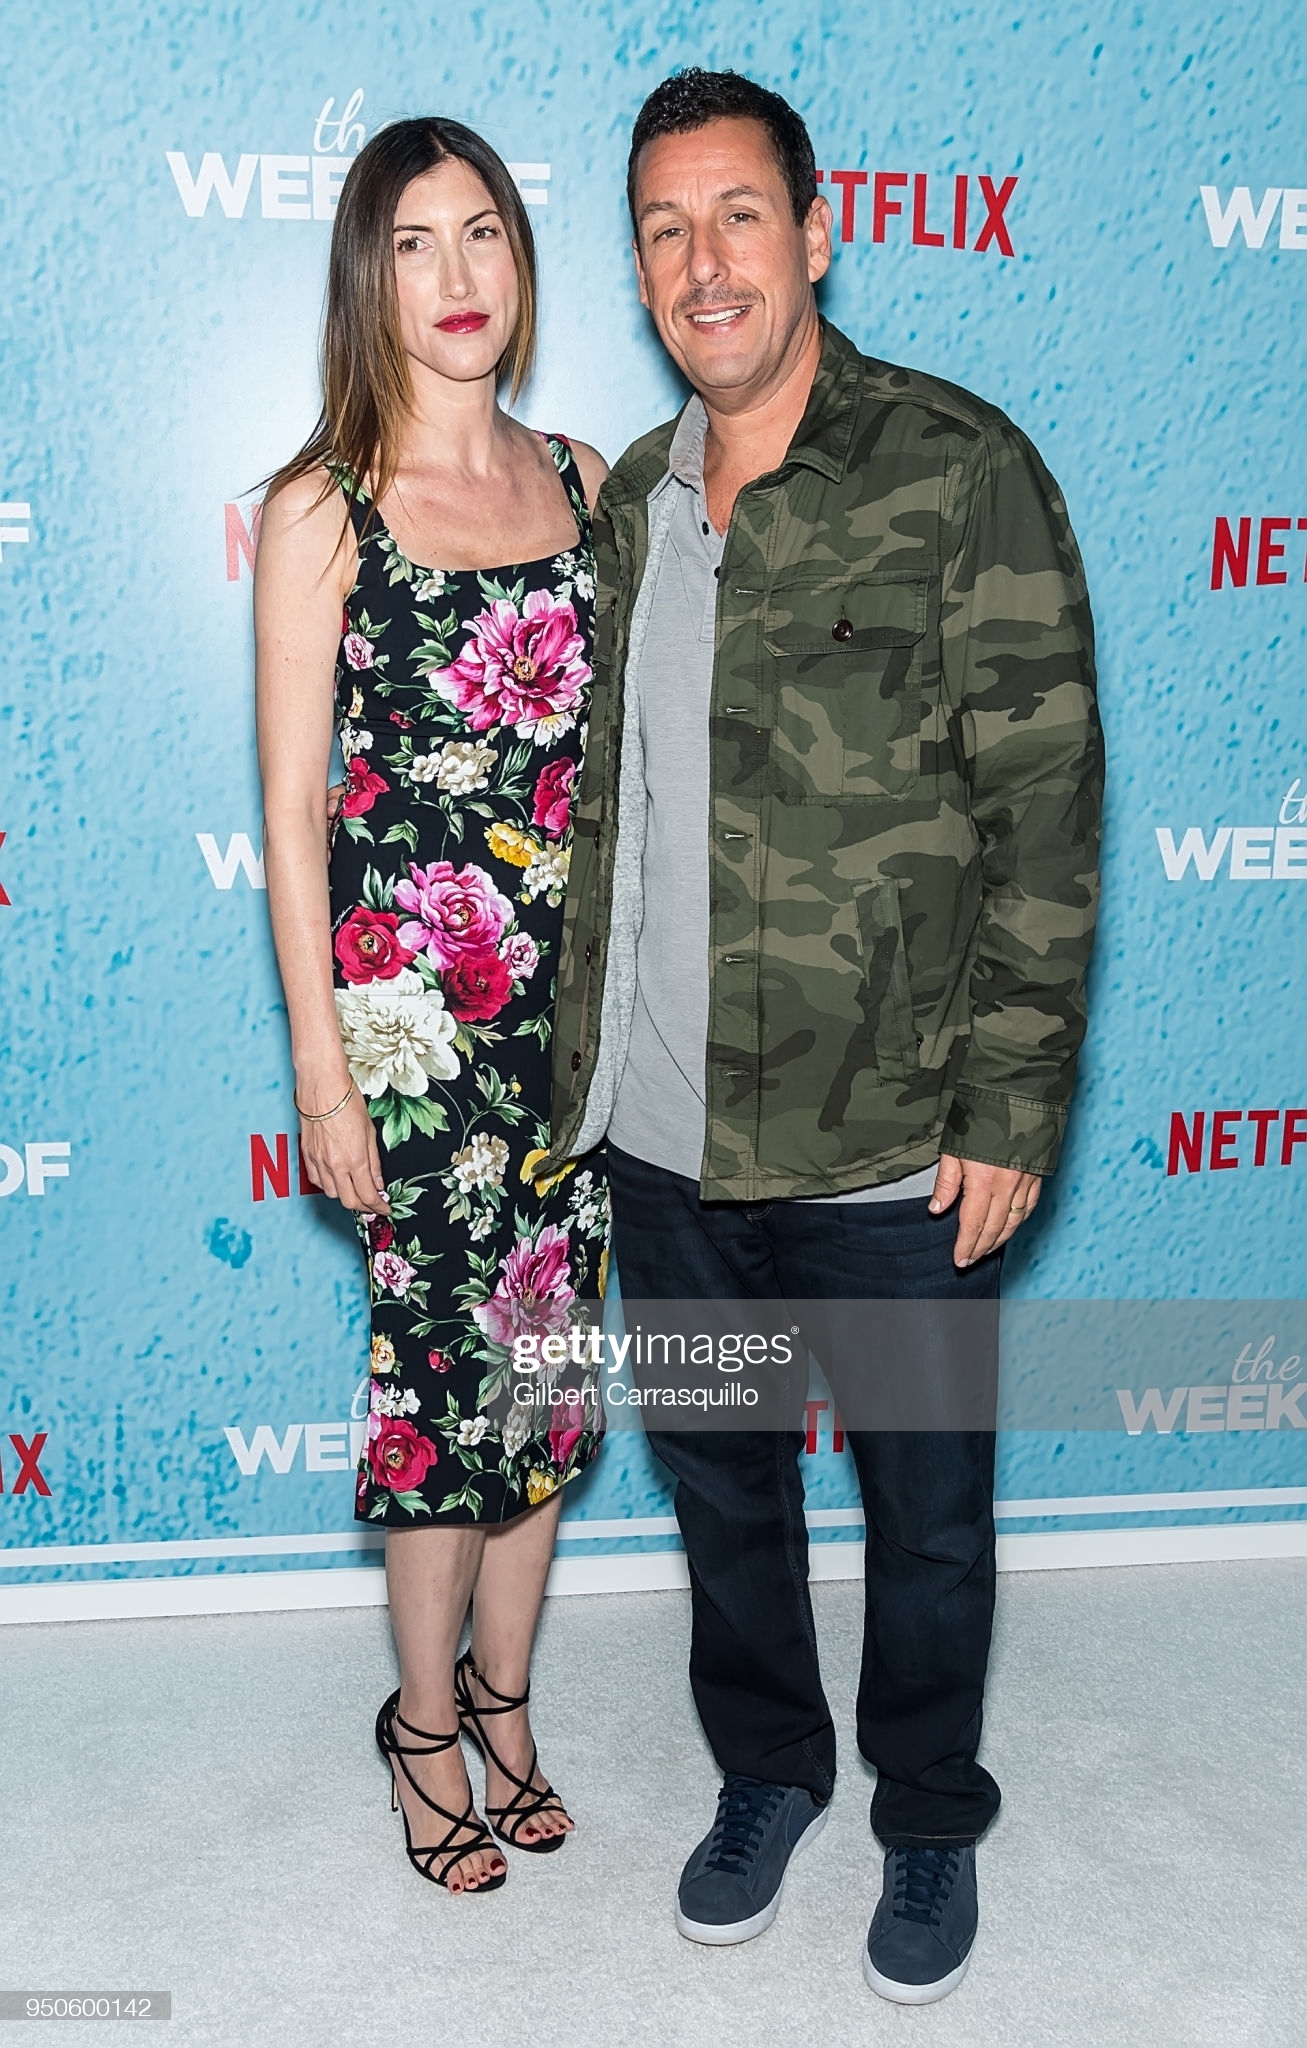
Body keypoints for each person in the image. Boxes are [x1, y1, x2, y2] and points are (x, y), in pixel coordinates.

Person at [544, 70, 1102, 2003]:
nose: (704, 261)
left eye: (739, 216)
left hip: (891, 1141)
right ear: (639, 265)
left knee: (929, 1519)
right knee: (723, 1491)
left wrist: (1012, 1098)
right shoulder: (629, 501)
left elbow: (1046, 809)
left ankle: (929, 1816)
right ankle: (768, 1776)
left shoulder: (958, 469)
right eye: (665, 227)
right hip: (667, 1136)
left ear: (817, 232)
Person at [255, 118, 609, 1897]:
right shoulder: (321, 507)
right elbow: (291, 821)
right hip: (408, 1031)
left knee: (547, 1386)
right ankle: (417, 1726)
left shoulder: (587, 480)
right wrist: (325, 1074)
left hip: (577, 1026)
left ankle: (504, 1699)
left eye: (484, 234)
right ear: (368, 277)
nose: (457, 276)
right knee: (439, 1395)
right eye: (413, 243)